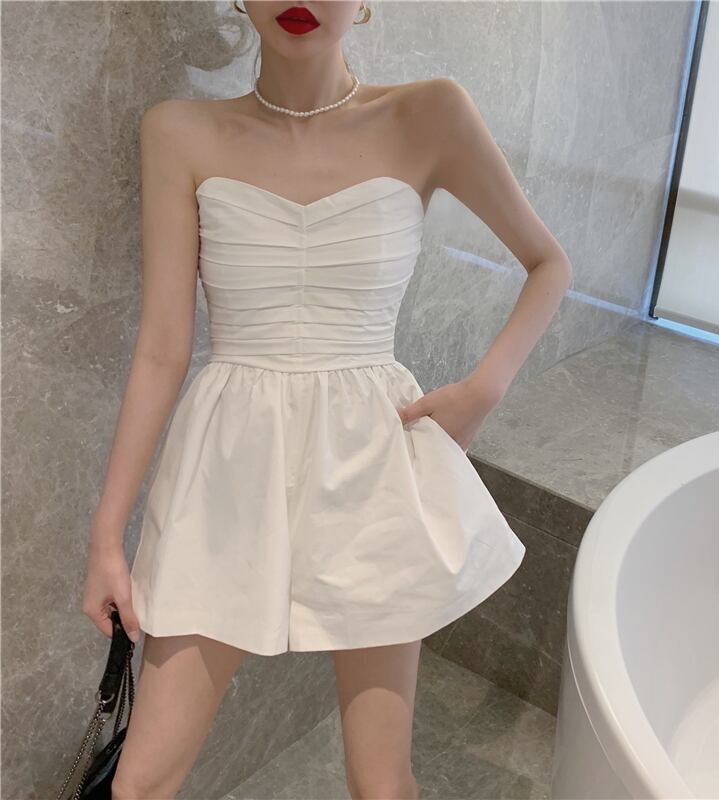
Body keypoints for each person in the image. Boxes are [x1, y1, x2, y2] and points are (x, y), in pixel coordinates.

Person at [81, 1, 573, 798]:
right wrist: (107, 537)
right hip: (228, 473)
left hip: (372, 467)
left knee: (380, 783)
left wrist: (482, 390)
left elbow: (549, 263)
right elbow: (164, 348)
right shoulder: (178, 132)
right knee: (138, 784)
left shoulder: (429, 114)